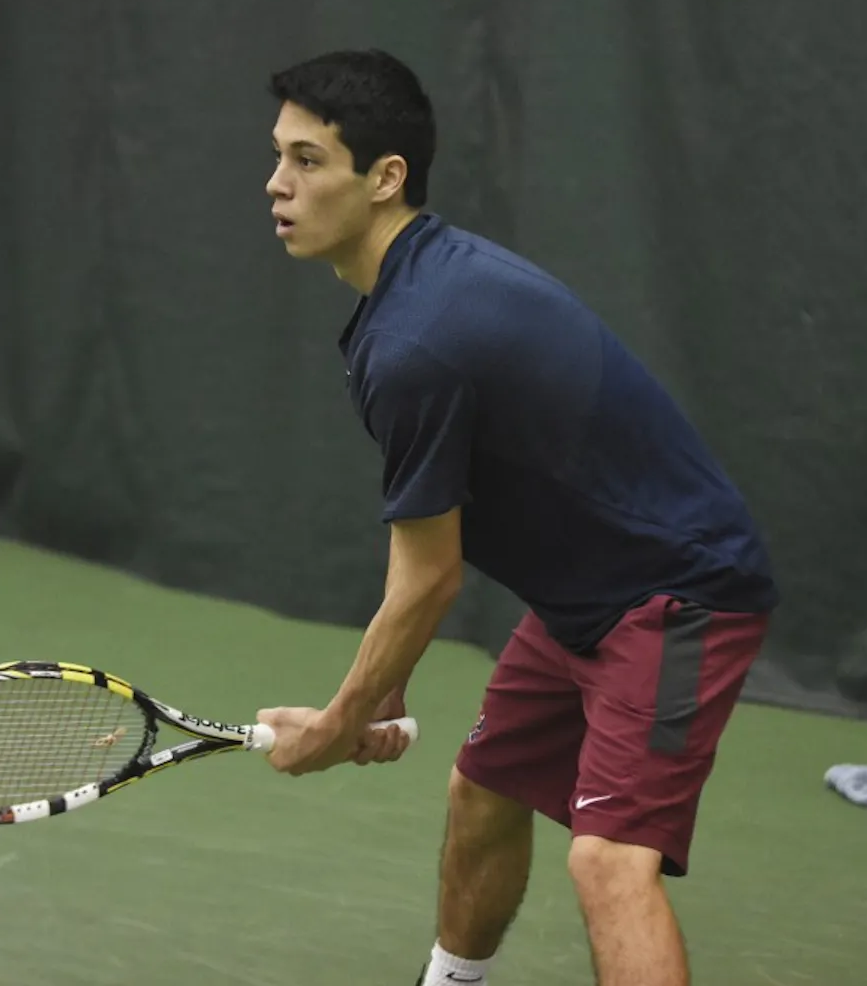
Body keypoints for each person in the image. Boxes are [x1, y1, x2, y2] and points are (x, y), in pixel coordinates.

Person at [254, 48, 779, 986]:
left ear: (384, 180)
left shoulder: (418, 339)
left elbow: (430, 576)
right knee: (485, 789)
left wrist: (340, 724)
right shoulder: (416, 289)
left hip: (678, 597)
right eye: (279, 157)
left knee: (608, 861)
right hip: (588, 593)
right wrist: (382, 684)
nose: (277, 183)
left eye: (306, 160)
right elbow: (428, 560)